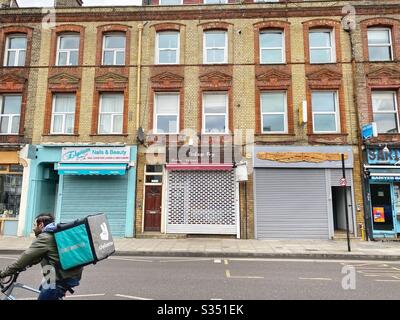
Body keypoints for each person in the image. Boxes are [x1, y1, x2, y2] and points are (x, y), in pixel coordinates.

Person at [0, 213, 83, 300]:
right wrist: (21, 267)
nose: (33, 228)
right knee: (43, 290)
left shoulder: (45, 237)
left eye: (35, 225)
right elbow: (34, 258)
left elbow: (24, 258)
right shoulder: (54, 233)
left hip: (60, 279)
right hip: (60, 275)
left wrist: (3, 273)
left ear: (41, 225)